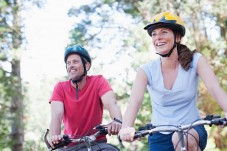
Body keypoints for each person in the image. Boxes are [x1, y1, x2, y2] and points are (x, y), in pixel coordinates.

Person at [119, 11, 227, 151]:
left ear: (177, 37)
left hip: (192, 129)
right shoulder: (146, 70)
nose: (158, 37)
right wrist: (126, 127)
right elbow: (135, 101)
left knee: (181, 138)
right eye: (154, 34)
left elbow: (214, 88)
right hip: (159, 134)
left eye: (164, 32)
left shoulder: (196, 61)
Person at [48, 44, 122, 151]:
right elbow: (56, 115)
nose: (70, 65)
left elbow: (111, 103)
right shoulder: (60, 88)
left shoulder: (98, 81)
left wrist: (117, 121)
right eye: (68, 63)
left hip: (96, 143)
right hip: (70, 145)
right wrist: (54, 137)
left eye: (75, 62)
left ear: (86, 66)